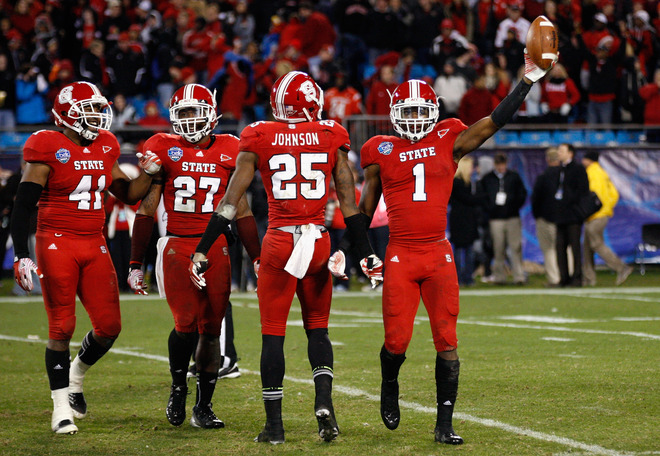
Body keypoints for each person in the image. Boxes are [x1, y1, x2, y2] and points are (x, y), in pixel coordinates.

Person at [343, 50, 556, 444]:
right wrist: (358, 251)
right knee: (396, 342)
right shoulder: (379, 149)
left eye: (419, 111)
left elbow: (495, 121)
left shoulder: (450, 137)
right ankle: (390, 383)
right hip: (401, 254)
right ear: (394, 114)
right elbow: (364, 210)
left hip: (437, 254)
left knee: (447, 339)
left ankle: (444, 423)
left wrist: (527, 80)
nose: (413, 118)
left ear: (433, 111)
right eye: (407, 111)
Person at [189, 71, 383, 444]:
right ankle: (324, 404)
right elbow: (349, 202)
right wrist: (368, 254)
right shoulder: (330, 133)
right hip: (317, 241)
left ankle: (275, 427)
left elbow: (230, 203)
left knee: (273, 335)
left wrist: (203, 246)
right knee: (318, 328)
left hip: (279, 241)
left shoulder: (259, 134)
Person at [10, 81, 161, 435]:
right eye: (89, 110)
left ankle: (75, 377)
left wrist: (150, 175)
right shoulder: (47, 145)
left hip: (94, 243)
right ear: (67, 114)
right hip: (56, 241)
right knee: (61, 327)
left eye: (97, 109)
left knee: (109, 327)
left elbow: (128, 194)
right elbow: (22, 204)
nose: (97, 116)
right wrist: (21, 254)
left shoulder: (105, 144)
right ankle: (60, 408)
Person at [126, 83, 261, 429]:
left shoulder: (231, 148)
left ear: (211, 115)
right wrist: (135, 263)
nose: (188, 119)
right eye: (182, 112)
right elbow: (146, 208)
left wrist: (257, 259)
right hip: (178, 245)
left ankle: (204, 406)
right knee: (185, 325)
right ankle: (178, 388)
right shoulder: (162, 147)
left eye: (194, 111)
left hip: (215, 247)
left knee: (212, 330)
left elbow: (242, 209)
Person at [581, 151, 633, 286]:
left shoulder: (592, 173)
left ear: (589, 159)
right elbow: (614, 194)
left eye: (584, 159)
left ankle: (621, 267)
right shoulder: (602, 172)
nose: (582, 161)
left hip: (596, 215)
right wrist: (608, 207)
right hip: (601, 214)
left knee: (596, 244)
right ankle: (589, 278)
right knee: (587, 247)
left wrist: (591, 210)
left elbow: (593, 195)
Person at [478, 152, 528, 285]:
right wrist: (490, 209)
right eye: (499, 164)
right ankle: (499, 276)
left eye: (503, 164)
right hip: (496, 219)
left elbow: (522, 194)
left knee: (515, 247)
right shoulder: (488, 178)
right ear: (495, 164)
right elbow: (482, 197)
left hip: (512, 218)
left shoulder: (514, 176)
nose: (501, 167)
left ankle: (519, 276)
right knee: (498, 248)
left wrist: (514, 206)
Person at [554, 143, 589, 287]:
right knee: (560, 247)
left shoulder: (578, 169)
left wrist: (573, 204)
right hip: (560, 215)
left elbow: (583, 190)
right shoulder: (558, 170)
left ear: (570, 153)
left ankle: (577, 278)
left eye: (561, 151)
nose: (558, 153)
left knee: (575, 247)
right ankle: (564, 278)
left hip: (573, 215)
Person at [448, 156, 486, 287]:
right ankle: (461, 277)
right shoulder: (457, 183)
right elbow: (468, 199)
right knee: (461, 250)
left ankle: (466, 277)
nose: (473, 169)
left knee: (468, 250)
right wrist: (481, 197)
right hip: (461, 221)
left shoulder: (467, 183)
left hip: (466, 220)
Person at [531, 147, 561, 287]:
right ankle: (568, 276)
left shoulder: (543, 177)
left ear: (547, 159)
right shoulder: (564, 175)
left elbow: (536, 199)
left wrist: (538, 215)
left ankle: (554, 279)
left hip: (545, 218)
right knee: (565, 249)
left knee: (549, 250)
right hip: (563, 219)